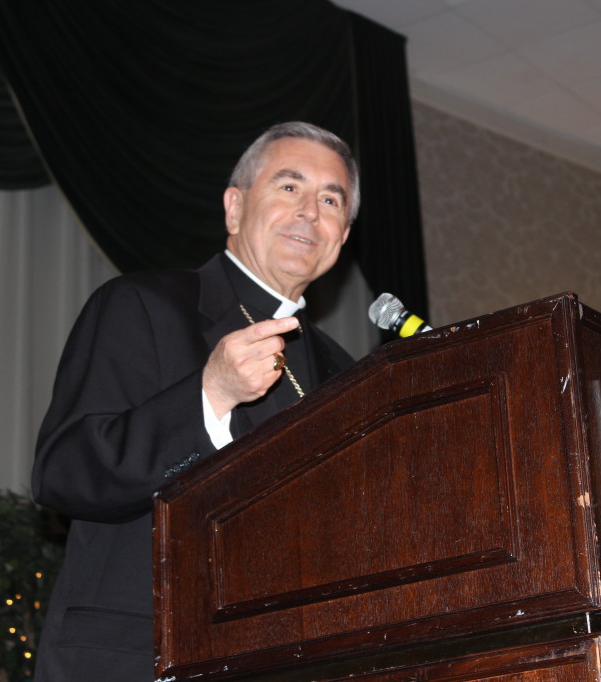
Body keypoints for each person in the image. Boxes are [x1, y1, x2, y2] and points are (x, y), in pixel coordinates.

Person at [31, 122, 360, 681]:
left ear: (343, 235)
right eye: (289, 187)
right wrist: (211, 396)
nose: (310, 210)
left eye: (331, 199)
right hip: (142, 656)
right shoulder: (141, 304)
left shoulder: (347, 372)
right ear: (234, 208)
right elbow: (64, 475)